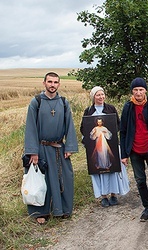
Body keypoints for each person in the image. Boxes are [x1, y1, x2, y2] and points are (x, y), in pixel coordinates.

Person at [23, 72, 78, 224]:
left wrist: (70, 146)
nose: (52, 85)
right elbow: (31, 128)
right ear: (44, 83)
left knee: (64, 177)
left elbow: (70, 125)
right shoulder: (37, 102)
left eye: (55, 82)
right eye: (50, 82)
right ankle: (41, 212)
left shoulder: (64, 102)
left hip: (59, 147)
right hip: (41, 148)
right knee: (43, 180)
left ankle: (63, 210)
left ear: (59, 84)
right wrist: (32, 152)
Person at [120, 77, 148, 222]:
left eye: (141, 89)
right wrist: (124, 154)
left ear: (145, 90)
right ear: (132, 91)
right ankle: (147, 207)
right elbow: (123, 131)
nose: (138, 93)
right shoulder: (127, 107)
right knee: (140, 180)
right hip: (134, 151)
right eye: (135, 90)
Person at [80, 86, 130, 208]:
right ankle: (104, 196)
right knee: (99, 169)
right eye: (98, 95)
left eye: (102, 94)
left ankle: (113, 194)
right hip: (96, 146)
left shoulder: (110, 109)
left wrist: (107, 132)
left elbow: (117, 125)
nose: (101, 97)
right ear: (93, 97)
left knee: (112, 167)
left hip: (110, 144)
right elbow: (84, 128)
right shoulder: (88, 111)